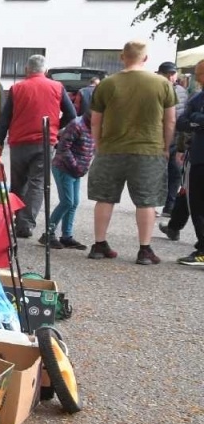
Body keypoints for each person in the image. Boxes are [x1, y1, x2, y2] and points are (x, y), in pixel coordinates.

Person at [86, 40, 178, 264]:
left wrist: (98, 145)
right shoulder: (162, 83)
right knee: (146, 201)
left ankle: (99, 244)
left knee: (105, 198)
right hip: (148, 149)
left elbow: (95, 121)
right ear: (145, 58)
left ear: (122, 57)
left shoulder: (106, 84)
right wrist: (166, 147)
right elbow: (170, 120)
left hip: (111, 149)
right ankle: (144, 250)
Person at [0, 55, 75, 239]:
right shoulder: (57, 87)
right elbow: (71, 114)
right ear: (45, 70)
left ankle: (14, 220)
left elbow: (4, 118)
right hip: (45, 142)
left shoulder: (17, 88)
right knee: (37, 183)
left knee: (18, 183)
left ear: (26, 70)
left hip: (19, 142)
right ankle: (26, 224)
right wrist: (56, 126)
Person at [162, 60, 204, 266]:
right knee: (194, 202)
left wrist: (196, 120)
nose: (197, 78)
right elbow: (182, 121)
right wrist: (198, 120)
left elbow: (190, 120)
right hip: (197, 157)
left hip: (200, 158)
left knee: (198, 204)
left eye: (199, 74)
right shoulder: (196, 97)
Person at [45, 103, 94, 249]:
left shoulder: (95, 126)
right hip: (64, 168)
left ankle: (66, 236)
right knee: (67, 201)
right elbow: (63, 148)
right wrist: (76, 166)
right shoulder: (76, 125)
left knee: (74, 203)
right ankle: (48, 233)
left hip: (76, 171)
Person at [158, 61, 188, 215]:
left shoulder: (181, 91)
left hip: (175, 139)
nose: (171, 77)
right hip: (159, 139)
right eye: (168, 74)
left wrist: (182, 145)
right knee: (161, 173)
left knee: (174, 173)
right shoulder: (157, 89)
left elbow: (183, 117)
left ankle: (169, 205)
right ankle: (155, 204)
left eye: (172, 73)